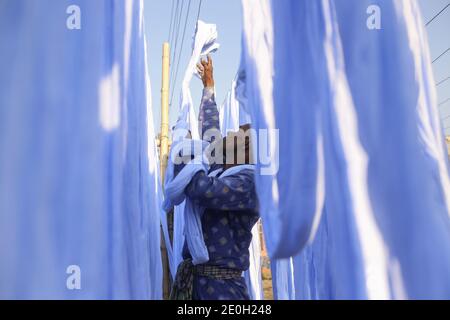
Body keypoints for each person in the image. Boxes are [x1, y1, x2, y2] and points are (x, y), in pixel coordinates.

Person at [170, 56, 259, 300]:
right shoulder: (222, 167)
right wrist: (208, 87)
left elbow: (202, 189)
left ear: (246, 149)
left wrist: (183, 153)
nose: (229, 133)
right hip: (196, 284)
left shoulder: (250, 184)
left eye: (236, 134)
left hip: (222, 291)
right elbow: (211, 133)